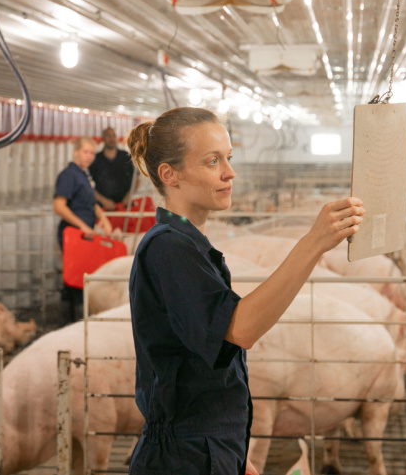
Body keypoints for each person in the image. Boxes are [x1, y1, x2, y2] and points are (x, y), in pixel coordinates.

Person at [124, 107, 365, 475]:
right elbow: (239, 329)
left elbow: (203, 367)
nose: (229, 172)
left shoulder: (188, 244)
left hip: (204, 450)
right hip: (183, 459)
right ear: (169, 174)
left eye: (229, 157)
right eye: (212, 161)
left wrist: (233, 456)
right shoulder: (170, 248)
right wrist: (312, 244)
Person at [53, 136, 112, 323]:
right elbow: (59, 206)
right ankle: (74, 322)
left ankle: (72, 322)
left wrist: (103, 218)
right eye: (85, 152)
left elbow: (91, 203)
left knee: (77, 276)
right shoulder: (68, 175)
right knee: (76, 277)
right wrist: (83, 225)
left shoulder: (83, 174)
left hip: (84, 234)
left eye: (92, 153)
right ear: (75, 152)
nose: (89, 156)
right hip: (73, 234)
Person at [89, 127, 136, 211]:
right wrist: (102, 200)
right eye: (108, 135)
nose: (111, 138)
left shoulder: (126, 157)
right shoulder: (95, 159)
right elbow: (88, 184)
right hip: (104, 208)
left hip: (125, 207)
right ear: (103, 138)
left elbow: (136, 179)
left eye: (113, 136)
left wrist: (128, 197)